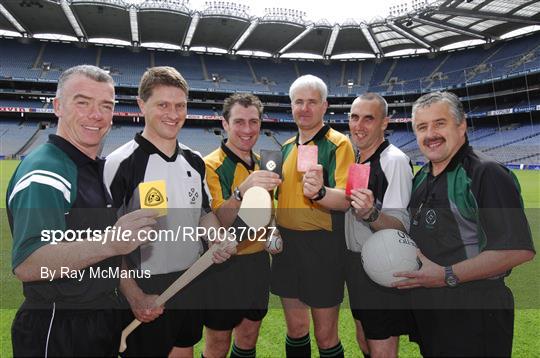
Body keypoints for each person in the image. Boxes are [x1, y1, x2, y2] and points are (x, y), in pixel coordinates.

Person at [7, 65, 158, 357]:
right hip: (59, 326)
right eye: (82, 102)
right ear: (57, 107)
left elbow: (110, 251)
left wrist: (135, 296)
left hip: (101, 317)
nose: (97, 115)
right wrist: (110, 241)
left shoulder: (98, 168)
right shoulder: (45, 171)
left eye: (106, 105)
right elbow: (28, 264)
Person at [104, 66, 236, 357]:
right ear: (142, 105)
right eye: (162, 104)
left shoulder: (194, 160)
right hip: (145, 287)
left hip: (190, 279)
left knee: (184, 351)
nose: (173, 114)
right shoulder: (121, 163)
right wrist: (134, 295)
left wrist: (215, 237)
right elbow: (107, 243)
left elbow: (202, 212)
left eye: (180, 106)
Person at [393, 91, 535, 356]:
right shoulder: (422, 176)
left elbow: (517, 249)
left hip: (476, 309)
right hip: (432, 308)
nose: (430, 134)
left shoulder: (485, 173)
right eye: (422, 127)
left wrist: (446, 274)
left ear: (461, 125)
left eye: (439, 123)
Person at [271, 74, 355, 357]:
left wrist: (320, 193)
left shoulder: (339, 144)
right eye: (298, 102)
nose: (304, 108)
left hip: (322, 246)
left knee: (325, 333)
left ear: (324, 106)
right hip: (286, 246)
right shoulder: (284, 149)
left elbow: (346, 200)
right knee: (296, 328)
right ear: (291, 106)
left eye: (312, 102)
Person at [202, 93, 281, 358]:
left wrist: (272, 231)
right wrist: (241, 192)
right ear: (225, 124)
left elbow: (267, 211)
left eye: (253, 122)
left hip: (257, 264)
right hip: (223, 265)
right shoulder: (211, 165)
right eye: (239, 122)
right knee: (218, 343)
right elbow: (220, 220)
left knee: (248, 336)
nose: (247, 130)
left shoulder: (264, 163)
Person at [344, 93, 414, 358]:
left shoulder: (393, 161)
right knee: (364, 337)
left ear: (385, 123)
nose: (358, 126)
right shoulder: (357, 159)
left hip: (383, 263)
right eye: (354, 117)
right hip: (356, 263)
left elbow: (400, 227)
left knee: (382, 344)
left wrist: (371, 214)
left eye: (368, 119)